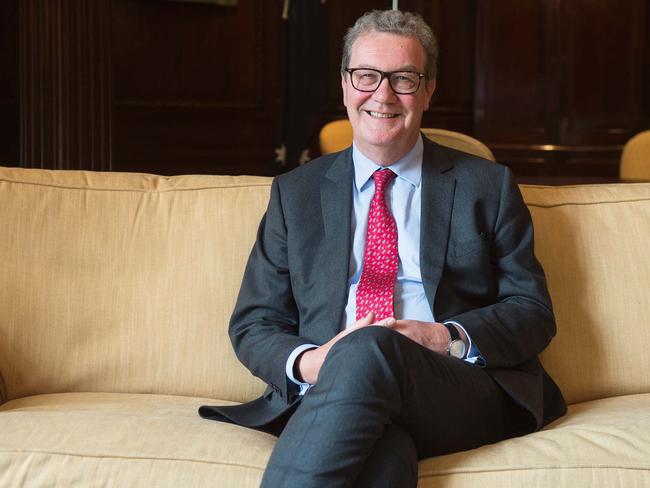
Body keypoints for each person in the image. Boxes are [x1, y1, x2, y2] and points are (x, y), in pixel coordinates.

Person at [200, 9, 566, 488]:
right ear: (345, 86)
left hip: (454, 387)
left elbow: (532, 310)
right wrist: (315, 362)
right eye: (366, 76)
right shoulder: (296, 194)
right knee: (384, 452)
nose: (383, 94)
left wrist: (443, 336)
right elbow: (254, 322)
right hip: (332, 391)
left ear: (429, 89)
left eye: (404, 79)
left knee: (370, 346)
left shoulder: (487, 186)